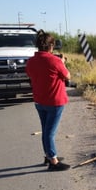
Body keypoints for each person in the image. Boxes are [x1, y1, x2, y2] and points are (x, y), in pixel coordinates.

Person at [26, 30, 71, 171]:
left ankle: (48, 155)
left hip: (39, 101)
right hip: (55, 102)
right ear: (51, 46)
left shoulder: (31, 61)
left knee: (45, 130)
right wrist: (62, 62)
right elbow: (67, 76)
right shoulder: (55, 61)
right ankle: (53, 161)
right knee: (50, 133)